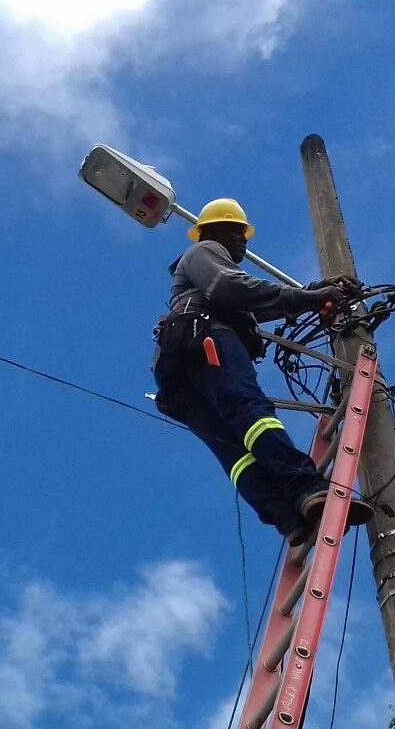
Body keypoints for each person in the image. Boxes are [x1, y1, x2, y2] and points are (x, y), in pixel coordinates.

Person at [153, 197, 374, 546]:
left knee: (234, 449)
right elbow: (234, 289)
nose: (244, 240)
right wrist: (307, 299)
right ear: (216, 231)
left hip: (177, 374)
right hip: (206, 341)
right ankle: (308, 490)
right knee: (252, 414)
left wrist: (310, 294)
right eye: (238, 232)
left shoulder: (199, 281)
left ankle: (290, 517)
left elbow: (252, 306)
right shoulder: (204, 252)